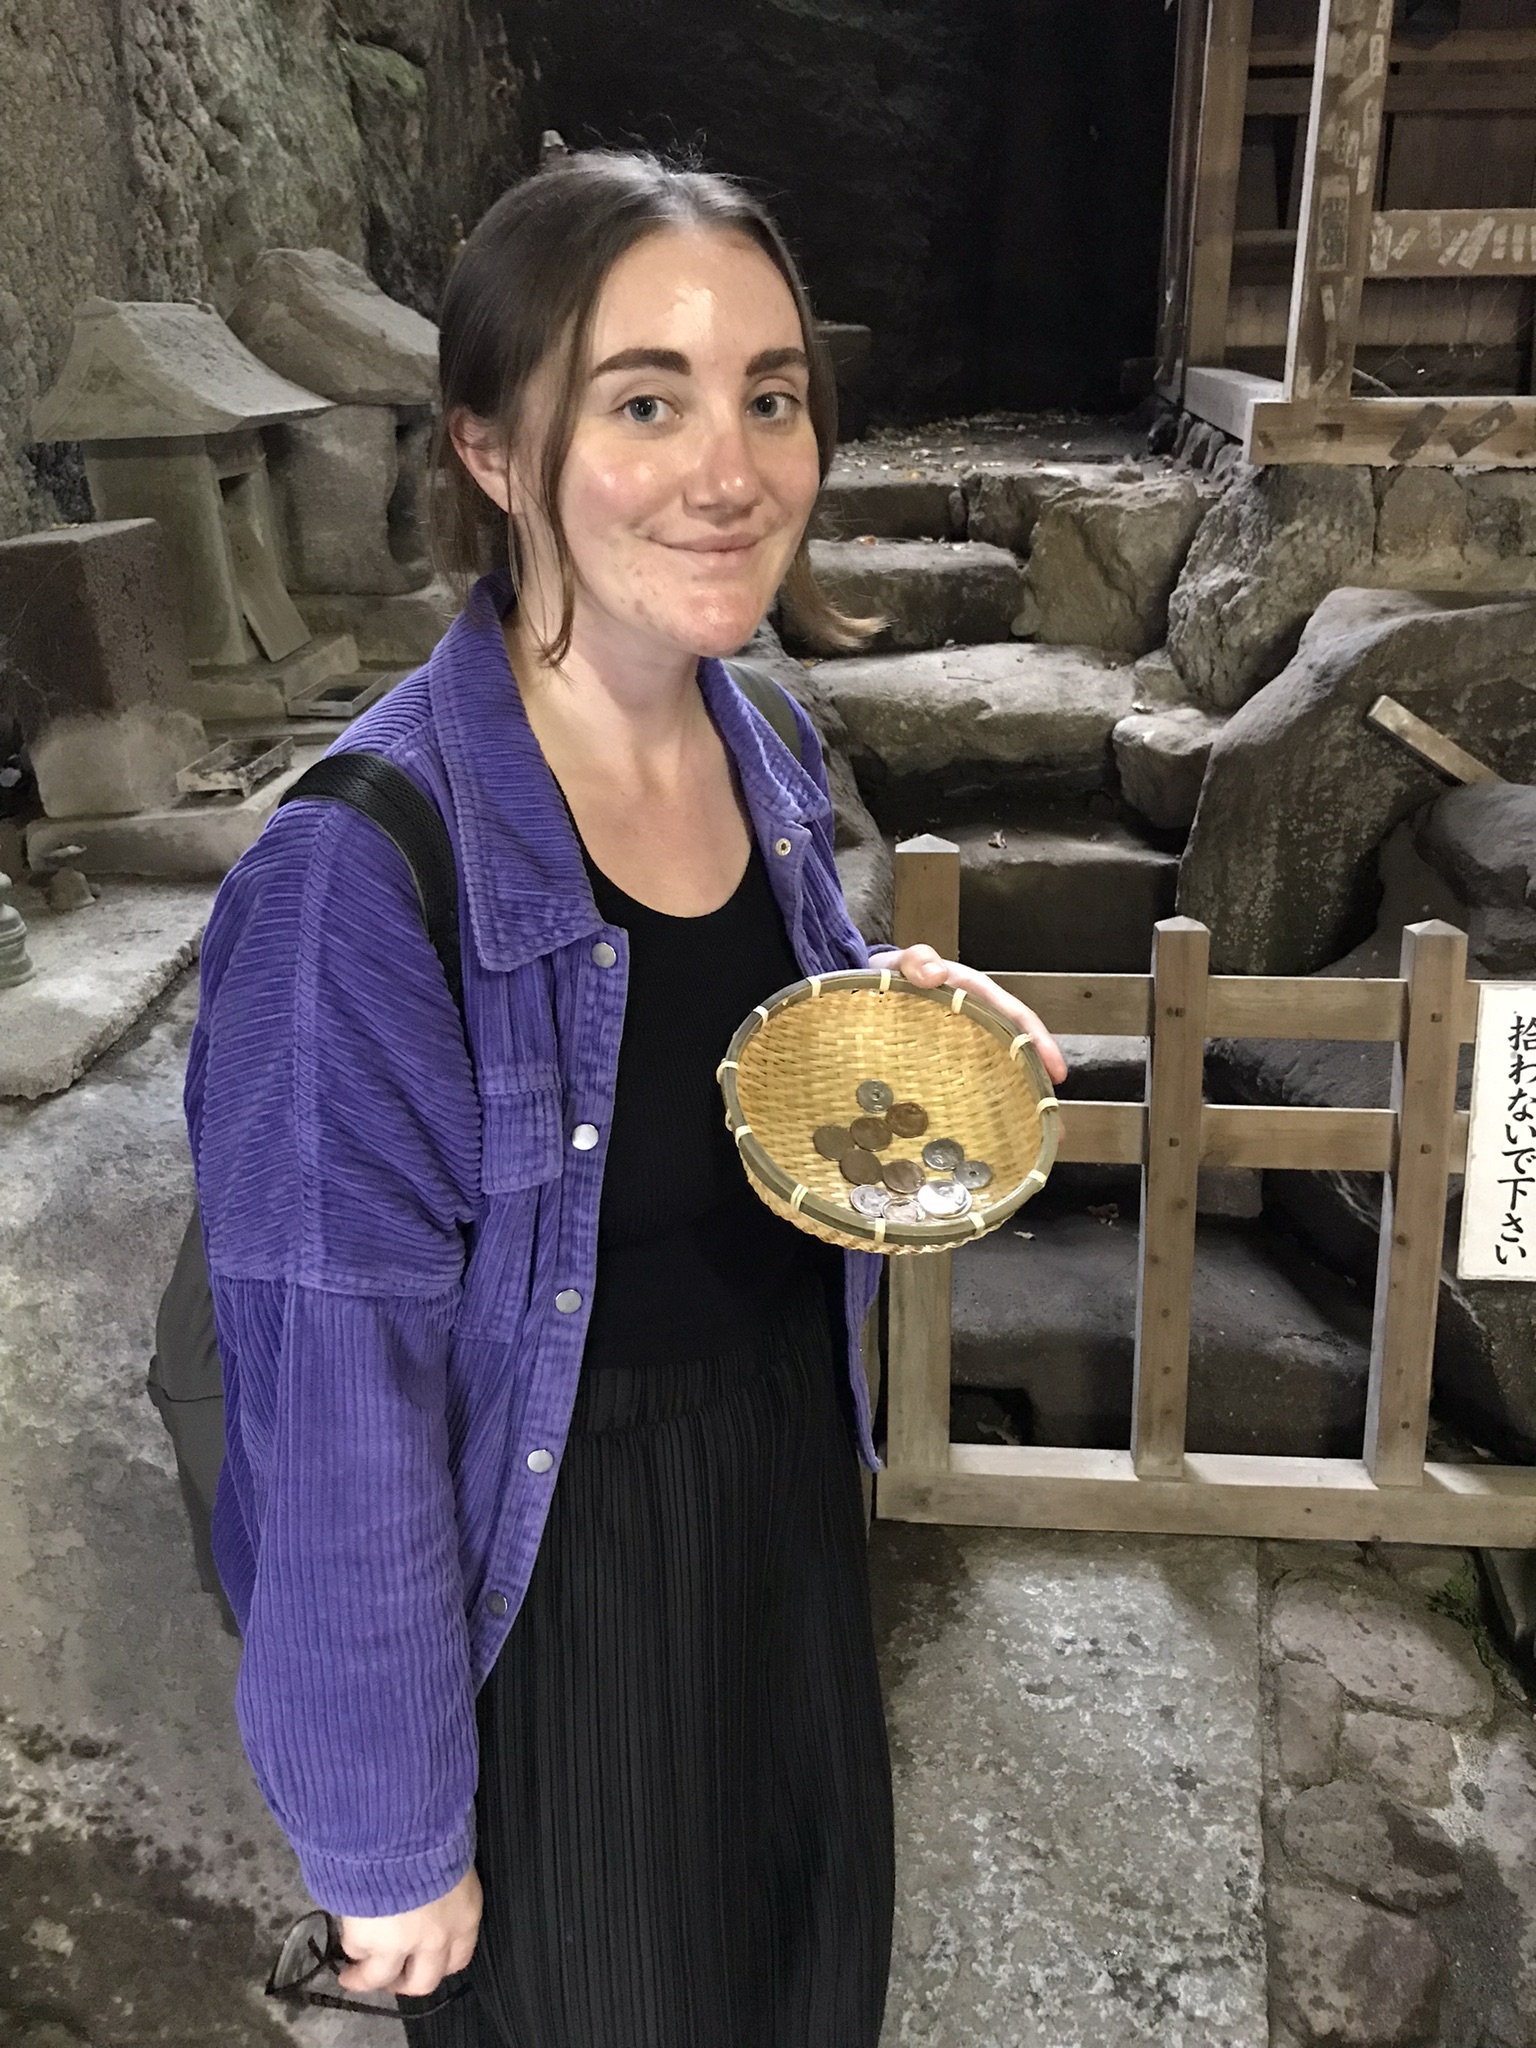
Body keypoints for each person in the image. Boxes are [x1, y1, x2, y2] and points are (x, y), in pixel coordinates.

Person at [186, 150, 1067, 2048]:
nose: (731, 464)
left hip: (782, 1534)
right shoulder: (361, 876)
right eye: (645, 400)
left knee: (807, 1991)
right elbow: (330, 1391)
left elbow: (715, 1074)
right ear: (496, 454)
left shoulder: (758, 740)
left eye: (772, 395)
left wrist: (897, 1021)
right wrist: (387, 1833)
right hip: (552, 1597)